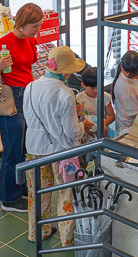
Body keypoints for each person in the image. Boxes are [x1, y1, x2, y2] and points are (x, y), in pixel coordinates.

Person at [23, 46, 92, 244]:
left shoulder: (30, 87)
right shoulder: (65, 93)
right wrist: (84, 126)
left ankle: (37, 232)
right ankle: (67, 238)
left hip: (34, 148)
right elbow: (71, 131)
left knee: (37, 193)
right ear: (66, 70)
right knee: (65, 194)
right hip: (59, 152)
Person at [0, 3, 44, 212]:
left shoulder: (30, 40)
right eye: (35, 26)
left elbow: (27, 67)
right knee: (12, 149)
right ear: (21, 23)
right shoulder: (2, 44)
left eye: (39, 25)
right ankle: (9, 200)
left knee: (23, 147)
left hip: (28, 95)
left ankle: (19, 188)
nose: (37, 30)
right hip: (9, 98)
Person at [74, 66, 115, 137]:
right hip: (86, 133)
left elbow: (112, 115)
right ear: (83, 85)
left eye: (99, 86)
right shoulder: (79, 99)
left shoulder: (105, 97)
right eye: (92, 88)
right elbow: (76, 119)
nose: (96, 90)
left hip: (102, 132)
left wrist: (103, 123)